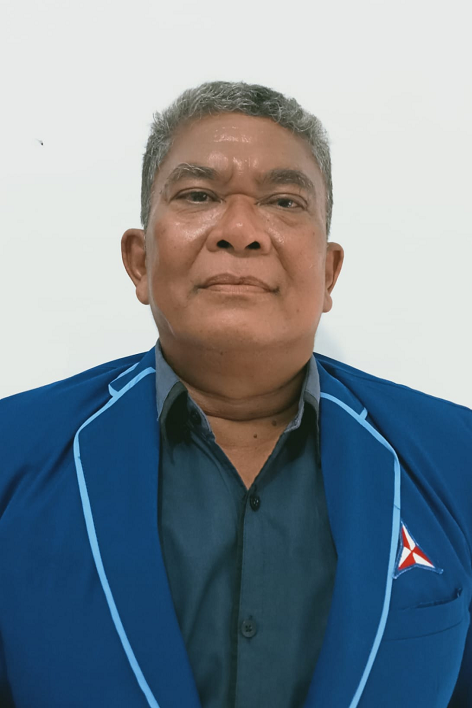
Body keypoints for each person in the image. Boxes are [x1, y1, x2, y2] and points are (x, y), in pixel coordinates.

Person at [0, 80, 470, 708]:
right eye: (199, 195)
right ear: (139, 262)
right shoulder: (13, 453)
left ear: (329, 273)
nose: (241, 231)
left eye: (284, 201)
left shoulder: (457, 458)